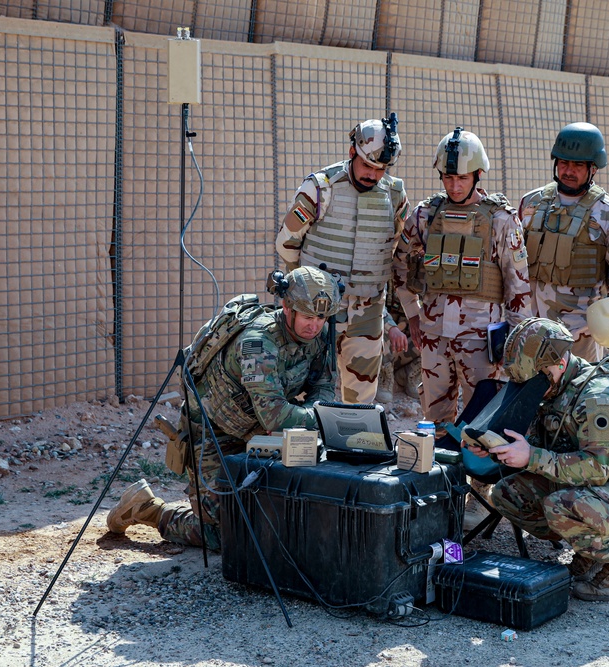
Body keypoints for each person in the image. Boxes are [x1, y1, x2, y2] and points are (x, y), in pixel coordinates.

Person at [106, 266, 341, 550]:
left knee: (281, 512)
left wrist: (317, 408)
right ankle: (147, 508)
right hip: (214, 432)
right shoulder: (258, 342)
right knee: (223, 532)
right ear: (286, 306)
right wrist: (320, 415)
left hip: (258, 431)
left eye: (321, 318)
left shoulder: (319, 337)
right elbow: (276, 416)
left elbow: (324, 386)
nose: (314, 326)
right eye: (307, 316)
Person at [468, 318, 609, 601]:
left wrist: (531, 457)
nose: (532, 386)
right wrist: (500, 451)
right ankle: (590, 547)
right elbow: (546, 447)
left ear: (559, 363)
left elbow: (596, 469)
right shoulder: (556, 388)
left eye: (537, 377)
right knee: (508, 493)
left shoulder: (599, 397)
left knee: (561, 506)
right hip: (596, 491)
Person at [391, 127, 533, 432]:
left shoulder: (501, 220)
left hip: (480, 339)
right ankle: (439, 478)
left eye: (462, 178)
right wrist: (413, 315)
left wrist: (516, 346)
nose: (454, 186)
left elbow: (518, 286)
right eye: (448, 178)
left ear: (479, 174)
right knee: (435, 421)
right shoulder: (425, 215)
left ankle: (478, 482)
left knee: (480, 424)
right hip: (433, 336)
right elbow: (399, 264)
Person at [275, 116, 410, 404]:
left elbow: (396, 249)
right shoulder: (321, 187)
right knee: (300, 390)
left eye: (380, 169)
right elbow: (287, 244)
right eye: (367, 166)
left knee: (360, 400)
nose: (373, 176)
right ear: (352, 153)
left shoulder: (395, 194)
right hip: (314, 310)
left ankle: (351, 446)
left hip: (367, 310)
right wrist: (303, 292)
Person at [518, 122, 609, 362]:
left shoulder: (608, 213)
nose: (568, 170)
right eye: (564, 163)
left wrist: (598, 323)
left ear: (593, 168)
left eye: (578, 165)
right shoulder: (531, 204)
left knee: (580, 396)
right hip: (533, 328)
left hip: (581, 335)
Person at [376, 286, 422, 403]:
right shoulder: (382, 275)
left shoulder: (418, 279)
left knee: (435, 332)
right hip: (382, 343)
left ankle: (410, 374)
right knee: (377, 325)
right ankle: (385, 376)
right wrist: (390, 327)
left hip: (407, 345)